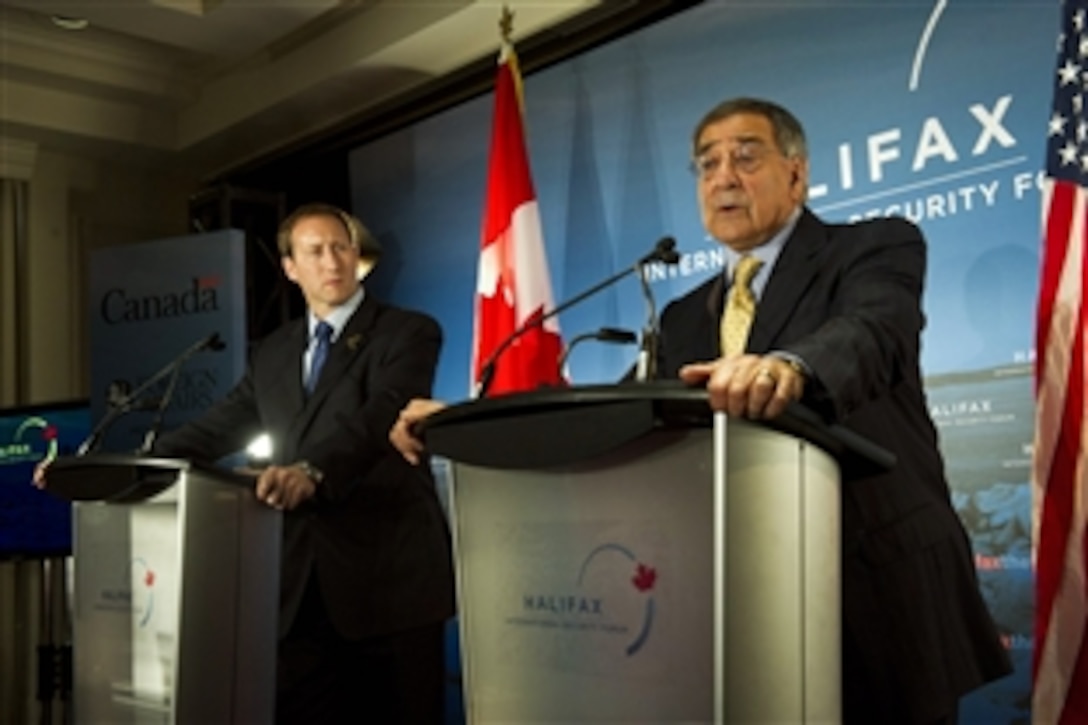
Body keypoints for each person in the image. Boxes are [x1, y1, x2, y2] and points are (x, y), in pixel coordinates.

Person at [391, 98, 1011, 724]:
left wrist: (789, 367)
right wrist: (470, 420)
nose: (723, 177)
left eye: (745, 157)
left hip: (873, 583)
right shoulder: (686, 314)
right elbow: (617, 415)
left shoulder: (874, 246)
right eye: (707, 164)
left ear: (796, 175)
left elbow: (872, 331)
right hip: (738, 600)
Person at [148, 203, 454, 723]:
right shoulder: (272, 351)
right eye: (315, 251)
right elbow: (218, 426)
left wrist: (310, 471)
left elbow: (379, 416)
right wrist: (132, 469)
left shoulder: (407, 331)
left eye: (342, 247)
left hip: (388, 588)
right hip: (298, 597)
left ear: (357, 257)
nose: (332, 261)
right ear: (290, 268)